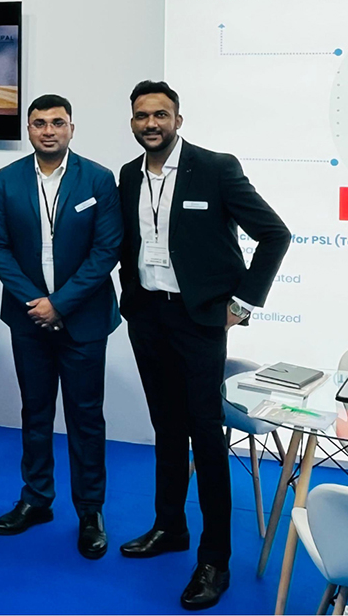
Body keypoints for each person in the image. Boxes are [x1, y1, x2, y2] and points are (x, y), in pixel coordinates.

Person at [117, 80, 290, 611]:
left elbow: (275, 234)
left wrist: (243, 303)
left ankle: (216, 559)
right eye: (142, 116)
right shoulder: (128, 174)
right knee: (166, 430)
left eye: (160, 115)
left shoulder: (215, 168)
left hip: (199, 323)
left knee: (207, 439)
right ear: (132, 122)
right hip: (148, 317)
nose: (151, 124)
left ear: (178, 119)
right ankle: (169, 527)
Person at [0, 94, 122, 560]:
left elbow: (106, 251)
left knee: (86, 419)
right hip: (29, 321)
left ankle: (90, 511)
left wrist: (59, 304)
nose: (48, 130)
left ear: (71, 129)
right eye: (39, 123)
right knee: (36, 413)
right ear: (28, 130)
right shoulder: (8, 178)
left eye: (57, 123)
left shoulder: (98, 179)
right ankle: (37, 498)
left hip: (84, 320)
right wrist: (36, 303)